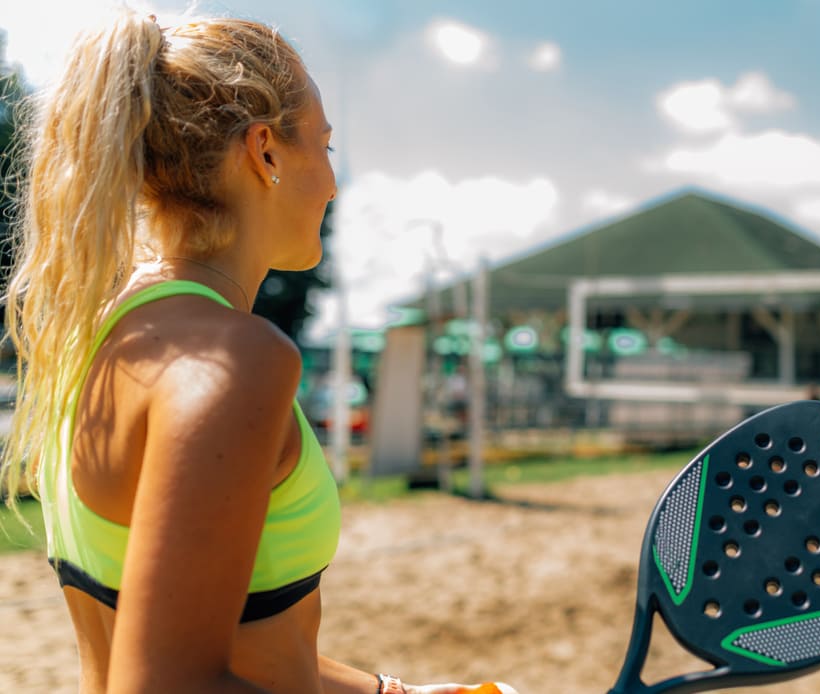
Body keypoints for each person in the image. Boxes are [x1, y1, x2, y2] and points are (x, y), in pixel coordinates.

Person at [1, 11, 514, 694]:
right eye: (324, 148)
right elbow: (168, 685)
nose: (331, 184)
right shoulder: (231, 361)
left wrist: (394, 693)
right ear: (265, 151)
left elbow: (232, 648)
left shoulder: (98, 333)